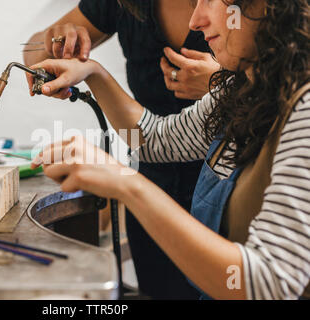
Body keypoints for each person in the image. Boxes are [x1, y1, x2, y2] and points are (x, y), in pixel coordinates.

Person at [29, 0, 310, 299]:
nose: (195, 21)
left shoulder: (303, 110)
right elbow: (156, 141)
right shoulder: (243, 87)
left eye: (210, 0)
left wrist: (127, 183)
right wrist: (93, 73)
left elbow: (271, 284)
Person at [24, 0, 220, 299]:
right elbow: (155, 140)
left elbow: (264, 280)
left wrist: (220, 83)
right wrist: (74, 55)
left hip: (223, 191)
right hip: (155, 176)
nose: (197, 20)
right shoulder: (122, 4)